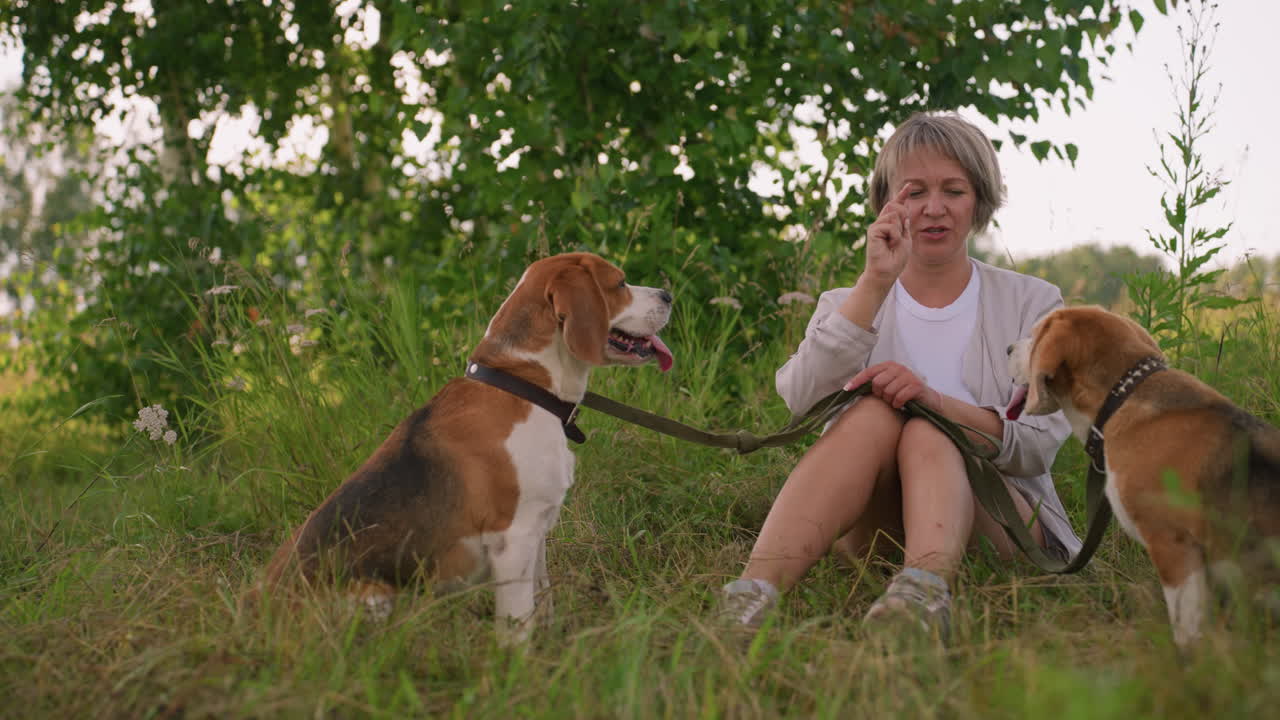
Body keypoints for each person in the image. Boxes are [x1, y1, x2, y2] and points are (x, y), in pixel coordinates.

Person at [718, 111, 1079, 637]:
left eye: (953, 190)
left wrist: (933, 401)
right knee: (870, 416)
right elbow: (797, 398)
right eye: (914, 192)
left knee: (927, 426)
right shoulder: (848, 302)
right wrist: (873, 284)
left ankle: (923, 596)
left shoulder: (1033, 302)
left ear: (978, 199)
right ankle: (750, 597)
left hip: (1001, 523)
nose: (934, 208)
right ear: (888, 203)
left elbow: (1038, 445)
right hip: (874, 529)